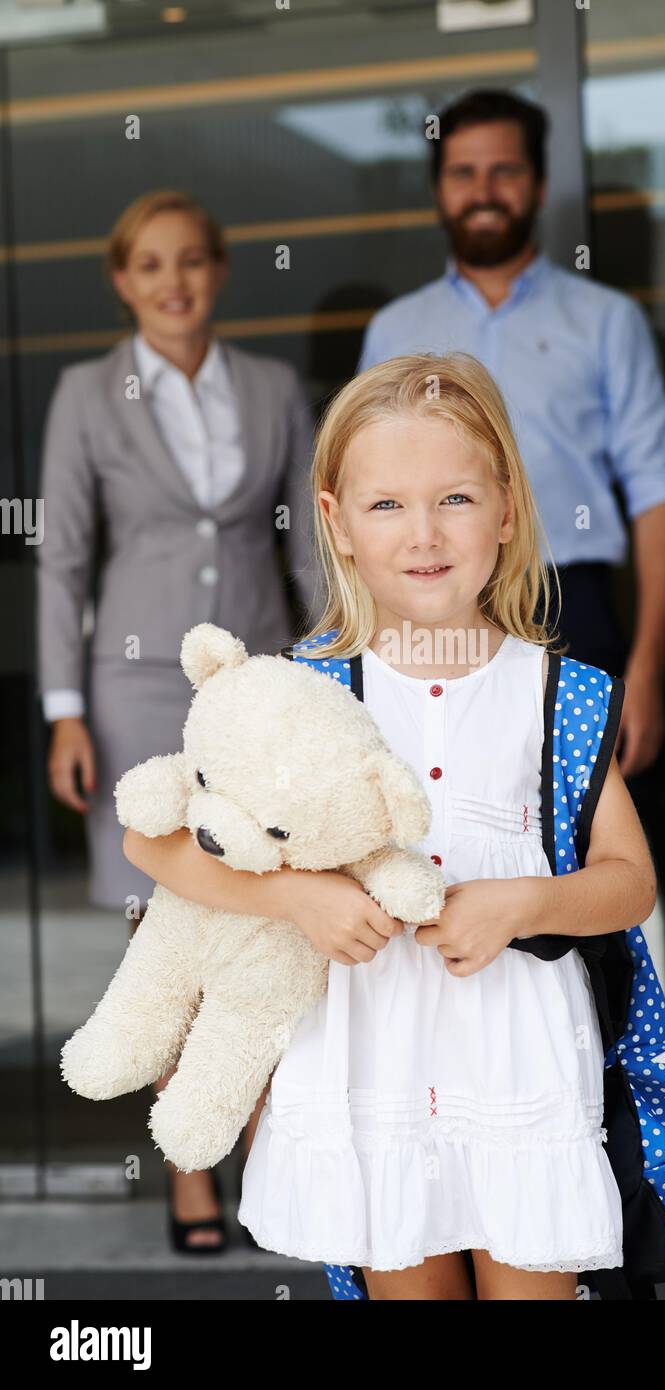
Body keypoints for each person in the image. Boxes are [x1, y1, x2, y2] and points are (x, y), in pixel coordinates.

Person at [123, 351, 657, 1299]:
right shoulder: (296, 693)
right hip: (371, 1068)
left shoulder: (555, 695)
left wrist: (524, 902)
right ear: (335, 522)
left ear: (506, 505)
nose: (423, 534)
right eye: (385, 506)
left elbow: (629, 881)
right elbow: (155, 843)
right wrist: (300, 896)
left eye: (453, 498)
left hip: (516, 1065)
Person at [356, 91, 665, 1105]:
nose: (483, 190)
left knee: (609, 870)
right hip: (428, 618)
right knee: (436, 844)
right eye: (463, 170)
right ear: (440, 187)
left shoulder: (603, 320)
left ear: (537, 183)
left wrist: (643, 667)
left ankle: (619, 1116)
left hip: (582, 610)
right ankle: (445, 1101)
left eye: (504, 170)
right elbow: (370, 508)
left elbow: (658, 488)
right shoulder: (397, 330)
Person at [37, 189, 319, 1252]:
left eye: (191, 260)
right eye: (150, 265)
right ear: (122, 279)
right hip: (137, 687)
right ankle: (189, 1172)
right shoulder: (84, 392)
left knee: (263, 916)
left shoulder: (274, 387)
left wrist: (326, 676)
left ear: (219, 270)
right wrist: (66, 710)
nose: (173, 282)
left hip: (250, 685)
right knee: (164, 932)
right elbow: (63, 558)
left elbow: (304, 548)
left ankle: (262, 1151)